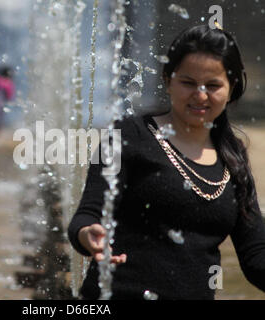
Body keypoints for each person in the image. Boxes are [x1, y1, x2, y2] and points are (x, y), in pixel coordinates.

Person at [68, 25, 265, 300]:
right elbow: (87, 214)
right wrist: (87, 234)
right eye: (187, 82)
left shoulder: (234, 156)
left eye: (213, 85)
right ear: (167, 80)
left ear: (232, 88)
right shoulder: (127, 135)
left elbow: (256, 254)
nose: (200, 95)